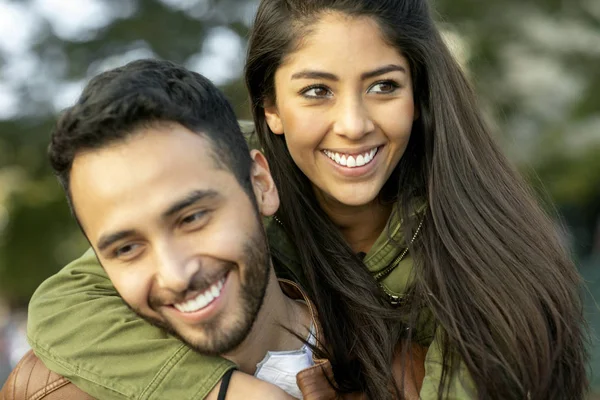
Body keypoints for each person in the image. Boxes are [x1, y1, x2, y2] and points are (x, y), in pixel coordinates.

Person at [27, 0, 588, 399]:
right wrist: (220, 389)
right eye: (316, 91)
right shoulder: (228, 177)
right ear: (269, 106)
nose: (353, 124)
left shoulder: (482, 252)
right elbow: (62, 307)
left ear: (419, 95)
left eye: (384, 86)